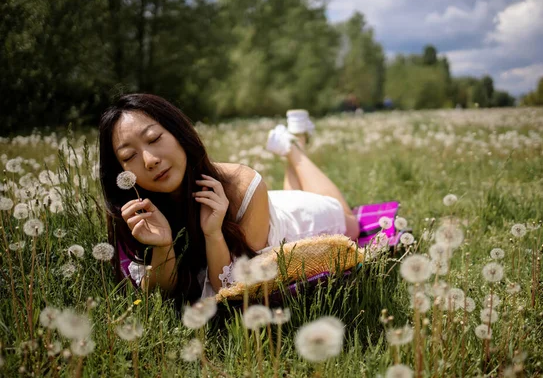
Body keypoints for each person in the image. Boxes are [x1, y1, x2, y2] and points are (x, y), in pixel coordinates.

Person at [99, 94, 360, 303]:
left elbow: (232, 289)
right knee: (293, 193)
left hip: (295, 220)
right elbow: (160, 297)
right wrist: (163, 245)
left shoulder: (242, 185)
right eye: (129, 156)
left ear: (178, 132)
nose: (150, 160)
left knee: (352, 224)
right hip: (267, 210)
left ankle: (292, 148)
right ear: (120, 171)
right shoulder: (135, 212)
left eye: (154, 138)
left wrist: (213, 234)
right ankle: (293, 141)